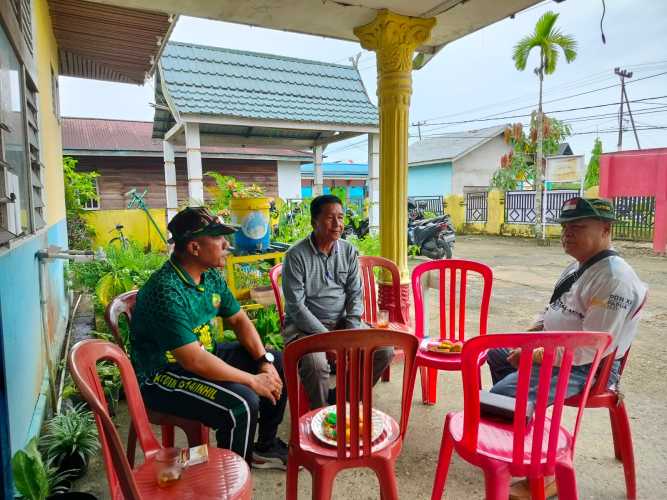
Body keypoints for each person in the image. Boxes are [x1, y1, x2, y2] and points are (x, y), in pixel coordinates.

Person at [486, 197, 648, 499]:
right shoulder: (579, 266)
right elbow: (555, 308)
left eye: (578, 227)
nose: (567, 234)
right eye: (565, 228)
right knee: (497, 354)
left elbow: (590, 349)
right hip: (557, 349)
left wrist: (533, 354)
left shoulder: (614, 280)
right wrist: (530, 334)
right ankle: (525, 431)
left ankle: (546, 472)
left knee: (502, 397)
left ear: (606, 229)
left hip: (588, 366)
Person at [129, 207, 288, 469]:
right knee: (242, 403)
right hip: (162, 374)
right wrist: (252, 380)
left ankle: (266, 445)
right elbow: (192, 360)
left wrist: (264, 362)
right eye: (218, 238)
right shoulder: (166, 291)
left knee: (277, 360)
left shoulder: (210, 275)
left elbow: (238, 319)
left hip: (202, 355)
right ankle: (232, 477)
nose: (227, 244)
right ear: (194, 248)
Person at [281, 194, 394, 409]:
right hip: (305, 328)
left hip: (342, 322)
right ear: (314, 222)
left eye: (341, 218)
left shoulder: (348, 251)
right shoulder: (295, 256)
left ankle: (345, 399)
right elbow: (296, 307)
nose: (338, 224)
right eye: (330, 218)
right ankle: (322, 414)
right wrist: (328, 339)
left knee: (383, 350)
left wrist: (350, 336)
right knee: (315, 365)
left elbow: (354, 294)